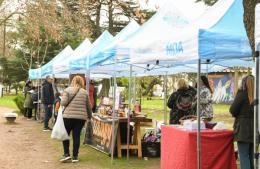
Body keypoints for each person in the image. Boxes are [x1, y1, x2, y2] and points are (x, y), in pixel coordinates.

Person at [60, 75, 92, 163]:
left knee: (65, 135)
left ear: (73, 81)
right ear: (82, 82)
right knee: (76, 136)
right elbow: (88, 106)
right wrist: (89, 117)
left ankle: (66, 154)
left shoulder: (67, 90)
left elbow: (63, 103)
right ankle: (75, 156)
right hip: (80, 118)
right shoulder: (85, 92)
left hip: (68, 117)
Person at [230, 75, 254, 169]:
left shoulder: (242, 94)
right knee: (251, 156)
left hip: (243, 130)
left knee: (244, 156)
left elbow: (233, 110)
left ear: (243, 83)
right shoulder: (257, 95)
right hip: (254, 128)